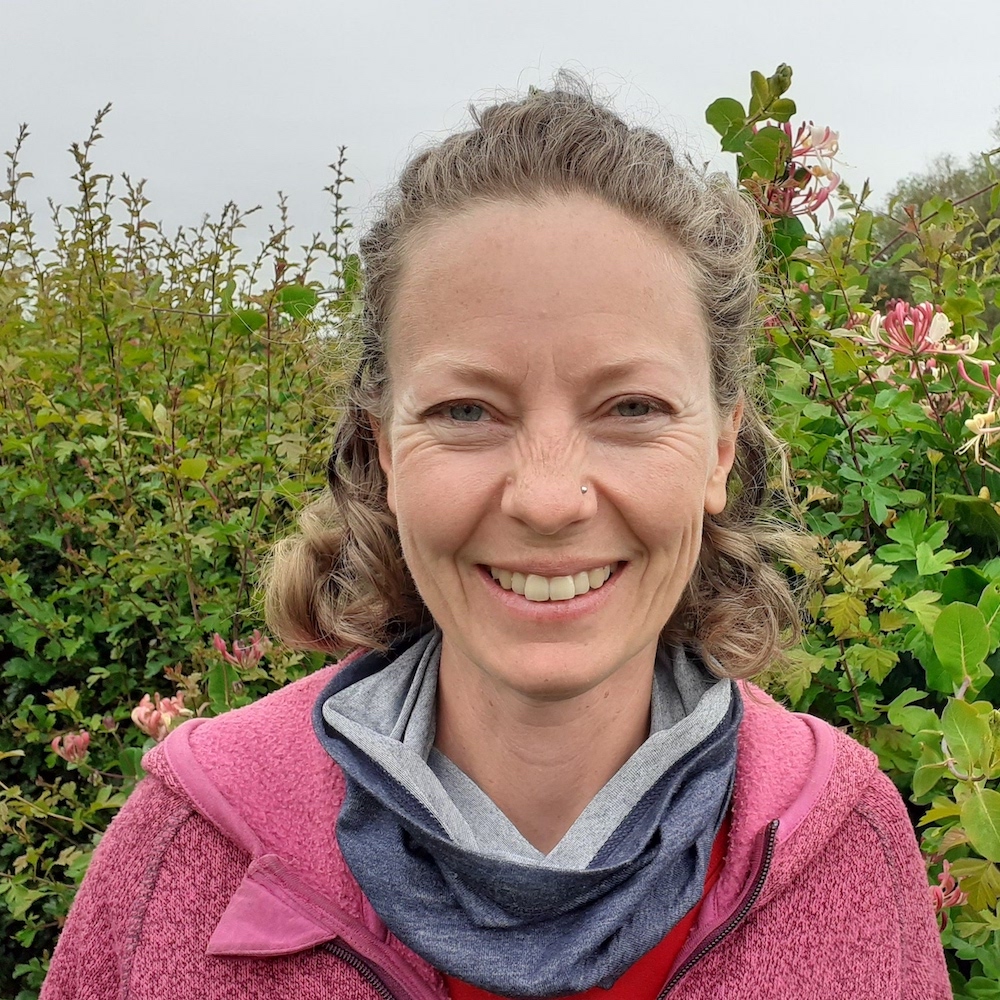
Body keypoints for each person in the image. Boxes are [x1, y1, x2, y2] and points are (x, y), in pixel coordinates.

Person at [41, 78, 950, 1000]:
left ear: (719, 450)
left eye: (630, 408)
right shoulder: (182, 850)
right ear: (382, 450)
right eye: (466, 410)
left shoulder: (848, 847)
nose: (549, 499)